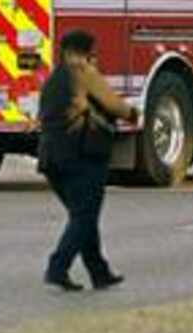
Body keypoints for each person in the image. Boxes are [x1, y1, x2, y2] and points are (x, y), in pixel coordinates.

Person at [37, 30, 139, 292]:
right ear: (84, 53)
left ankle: (99, 272)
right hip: (81, 156)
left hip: (51, 158)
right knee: (84, 216)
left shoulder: (52, 79)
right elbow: (113, 105)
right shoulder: (82, 72)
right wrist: (134, 114)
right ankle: (57, 268)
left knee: (83, 217)